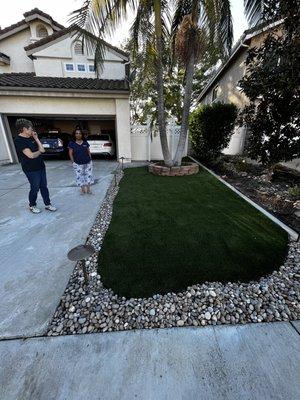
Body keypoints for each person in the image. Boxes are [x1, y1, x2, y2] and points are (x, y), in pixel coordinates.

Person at [14, 118, 57, 214]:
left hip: (41, 166)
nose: (32, 130)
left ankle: (48, 204)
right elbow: (31, 155)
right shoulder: (19, 140)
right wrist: (39, 152)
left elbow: (43, 150)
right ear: (24, 129)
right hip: (30, 169)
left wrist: (36, 138)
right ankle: (32, 205)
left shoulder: (31, 138)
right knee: (35, 187)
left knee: (44, 186)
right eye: (30, 128)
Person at [68, 127, 94, 194]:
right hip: (78, 163)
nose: (78, 135)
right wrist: (73, 162)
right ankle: (82, 189)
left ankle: (88, 189)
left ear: (82, 135)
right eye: (76, 133)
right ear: (74, 135)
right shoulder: (72, 143)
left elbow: (88, 152)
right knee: (79, 176)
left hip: (88, 162)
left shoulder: (85, 142)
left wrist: (90, 160)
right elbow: (70, 154)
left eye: (79, 133)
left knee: (88, 175)